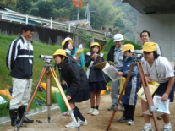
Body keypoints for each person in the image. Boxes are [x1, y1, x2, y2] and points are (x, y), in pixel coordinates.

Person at [6, 25, 35, 126]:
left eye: (32, 33)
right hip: (19, 76)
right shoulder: (17, 43)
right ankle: (14, 121)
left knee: (25, 98)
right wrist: (15, 71)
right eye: (29, 32)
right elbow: (10, 59)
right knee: (17, 97)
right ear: (24, 31)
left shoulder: (30, 45)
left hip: (28, 76)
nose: (31, 35)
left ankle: (22, 118)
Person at [52, 49, 90, 128]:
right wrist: (65, 80)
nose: (55, 58)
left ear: (63, 57)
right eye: (54, 57)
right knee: (71, 103)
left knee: (69, 103)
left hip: (81, 86)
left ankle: (75, 122)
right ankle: (82, 120)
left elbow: (76, 80)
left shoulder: (70, 65)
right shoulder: (63, 65)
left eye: (57, 56)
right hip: (78, 85)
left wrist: (70, 93)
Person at [141, 42, 174, 131]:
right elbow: (141, 73)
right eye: (144, 52)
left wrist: (166, 93)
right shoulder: (143, 61)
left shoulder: (163, 62)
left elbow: (171, 78)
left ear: (154, 53)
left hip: (164, 83)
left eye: (148, 53)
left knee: (161, 103)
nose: (145, 55)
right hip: (151, 83)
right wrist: (144, 78)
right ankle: (148, 125)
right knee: (143, 99)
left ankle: (167, 125)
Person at [116, 44, 141, 125]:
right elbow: (123, 68)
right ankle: (125, 116)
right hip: (125, 82)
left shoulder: (135, 60)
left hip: (133, 83)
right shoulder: (126, 59)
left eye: (126, 52)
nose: (124, 53)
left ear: (131, 52)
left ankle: (131, 118)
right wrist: (118, 70)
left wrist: (122, 73)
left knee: (131, 100)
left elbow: (134, 72)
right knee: (125, 99)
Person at [61, 37, 85, 116]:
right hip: (66, 75)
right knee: (65, 91)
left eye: (71, 43)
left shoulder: (76, 51)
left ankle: (71, 109)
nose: (71, 45)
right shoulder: (62, 53)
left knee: (71, 93)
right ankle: (68, 108)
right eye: (69, 44)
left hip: (74, 75)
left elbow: (82, 63)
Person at [85, 42, 107, 116]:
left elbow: (104, 65)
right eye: (94, 47)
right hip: (91, 76)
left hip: (99, 76)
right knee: (92, 93)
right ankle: (92, 108)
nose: (96, 49)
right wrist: (92, 59)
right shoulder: (88, 55)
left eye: (97, 48)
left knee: (98, 93)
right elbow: (86, 65)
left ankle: (96, 108)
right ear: (91, 48)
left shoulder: (101, 55)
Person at [107, 34, 124, 111]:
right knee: (114, 89)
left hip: (123, 71)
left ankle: (123, 104)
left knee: (122, 89)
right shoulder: (113, 49)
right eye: (115, 42)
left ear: (122, 41)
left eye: (118, 41)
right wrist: (111, 63)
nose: (117, 43)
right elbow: (109, 58)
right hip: (114, 71)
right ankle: (114, 104)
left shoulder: (125, 50)